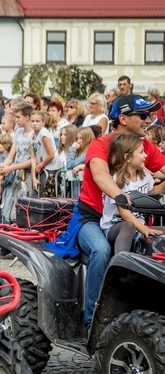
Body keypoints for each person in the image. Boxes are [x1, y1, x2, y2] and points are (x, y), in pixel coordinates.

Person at [75, 94, 165, 329]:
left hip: (129, 217)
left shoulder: (144, 146)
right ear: (123, 119)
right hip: (93, 218)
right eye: (144, 115)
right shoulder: (100, 144)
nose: (149, 120)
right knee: (101, 250)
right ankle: (93, 320)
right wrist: (119, 195)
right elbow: (100, 174)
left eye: (151, 114)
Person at [101, 134, 165, 254]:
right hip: (115, 227)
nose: (146, 155)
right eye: (141, 152)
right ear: (127, 157)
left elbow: (152, 194)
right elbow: (124, 213)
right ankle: (120, 265)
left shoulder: (144, 173)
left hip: (139, 225)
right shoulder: (116, 180)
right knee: (129, 225)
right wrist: (144, 229)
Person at [0, 102, 35, 223]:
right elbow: (11, 155)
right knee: (9, 209)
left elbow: (33, 160)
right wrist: (4, 165)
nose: (16, 119)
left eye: (18, 117)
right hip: (15, 176)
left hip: (28, 177)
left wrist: (11, 168)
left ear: (27, 117)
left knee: (23, 210)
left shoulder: (34, 134)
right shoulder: (18, 133)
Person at [31, 110, 61, 197]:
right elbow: (33, 157)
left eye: (37, 121)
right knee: (36, 194)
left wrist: (40, 165)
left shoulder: (43, 134)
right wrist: (34, 177)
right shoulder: (32, 135)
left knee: (46, 195)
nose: (34, 124)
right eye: (32, 121)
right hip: (41, 167)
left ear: (43, 122)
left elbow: (51, 155)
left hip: (51, 167)